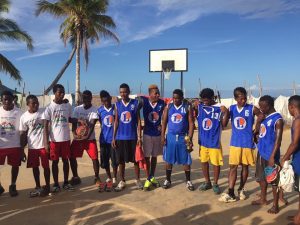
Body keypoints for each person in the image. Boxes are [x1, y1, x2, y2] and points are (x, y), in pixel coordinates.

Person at [219, 87, 262, 202]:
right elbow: (223, 124)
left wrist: (256, 129)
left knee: (245, 166)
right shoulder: (232, 108)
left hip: (248, 142)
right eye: (241, 99)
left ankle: (241, 188)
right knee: (233, 167)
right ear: (235, 98)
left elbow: (261, 115)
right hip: (235, 143)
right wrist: (226, 113)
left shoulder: (251, 108)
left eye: (245, 98)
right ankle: (231, 191)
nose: (243, 101)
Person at [251, 95, 283, 214]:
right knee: (261, 178)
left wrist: (272, 157)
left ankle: (275, 205)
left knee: (273, 181)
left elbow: (278, 141)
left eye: (262, 107)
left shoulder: (277, 119)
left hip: (270, 156)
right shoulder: (264, 117)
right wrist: (258, 121)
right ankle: (263, 199)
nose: (260, 109)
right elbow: (257, 133)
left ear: (268, 106)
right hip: (261, 152)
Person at [196, 88, 229, 195]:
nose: (205, 102)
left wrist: (226, 113)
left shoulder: (220, 108)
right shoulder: (200, 106)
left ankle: (215, 183)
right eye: (203, 100)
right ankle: (207, 182)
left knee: (216, 164)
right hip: (203, 142)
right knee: (203, 162)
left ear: (212, 98)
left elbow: (224, 125)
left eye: (207, 100)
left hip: (214, 142)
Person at [42, 84, 74, 192]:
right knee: (55, 162)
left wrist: (79, 121)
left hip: (65, 139)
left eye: (63, 92)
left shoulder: (67, 106)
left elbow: (70, 119)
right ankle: (56, 184)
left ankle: (66, 182)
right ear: (54, 93)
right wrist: (46, 143)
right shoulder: (49, 108)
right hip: (54, 141)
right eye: (59, 92)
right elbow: (45, 127)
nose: (62, 94)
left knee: (66, 161)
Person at [161, 89, 195, 191]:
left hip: (182, 137)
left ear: (181, 98)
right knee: (168, 160)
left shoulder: (187, 107)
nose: (175, 100)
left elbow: (191, 123)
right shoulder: (169, 106)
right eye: (174, 98)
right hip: (171, 137)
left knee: (186, 160)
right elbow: (164, 122)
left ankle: (188, 181)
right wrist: (162, 136)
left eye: (177, 98)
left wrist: (189, 138)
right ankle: (168, 180)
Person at [112, 83, 143, 191]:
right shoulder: (117, 104)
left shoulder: (135, 103)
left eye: (125, 92)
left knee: (136, 160)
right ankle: (122, 180)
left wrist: (139, 137)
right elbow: (116, 121)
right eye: (121, 92)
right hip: (120, 137)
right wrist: (113, 137)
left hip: (133, 137)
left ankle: (137, 180)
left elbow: (138, 121)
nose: (123, 94)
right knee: (121, 161)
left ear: (129, 92)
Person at [69, 90, 102, 189]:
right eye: (84, 98)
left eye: (88, 97)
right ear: (82, 98)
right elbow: (74, 124)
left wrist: (85, 137)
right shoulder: (77, 109)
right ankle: (75, 177)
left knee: (95, 158)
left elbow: (91, 125)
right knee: (71, 156)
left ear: (91, 98)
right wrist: (75, 134)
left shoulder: (94, 110)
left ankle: (96, 177)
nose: (86, 99)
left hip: (89, 139)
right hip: (78, 139)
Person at [20, 95, 50, 197]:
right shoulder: (24, 117)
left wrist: (64, 101)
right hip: (32, 147)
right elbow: (23, 134)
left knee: (46, 167)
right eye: (33, 103)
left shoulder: (44, 111)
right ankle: (37, 186)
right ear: (28, 104)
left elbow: (54, 107)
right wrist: (22, 149)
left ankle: (47, 186)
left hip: (43, 145)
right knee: (35, 167)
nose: (36, 104)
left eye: (37, 102)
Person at [139, 84, 165, 191]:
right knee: (146, 157)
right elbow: (134, 109)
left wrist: (162, 126)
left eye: (158, 93)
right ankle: (148, 178)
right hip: (147, 133)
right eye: (156, 93)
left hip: (157, 134)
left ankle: (152, 176)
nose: (158, 95)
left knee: (154, 157)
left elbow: (167, 115)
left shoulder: (162, 103)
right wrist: (138, 124)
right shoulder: (144, 101)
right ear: (150, 94)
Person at [0, 90, 24, 196]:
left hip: (15, 145)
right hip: (1, 146)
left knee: (15, 166)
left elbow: (22, 131)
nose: (7, 101)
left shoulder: (19, 112)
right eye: (4, 99)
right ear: (1, 100)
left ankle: (13, 185)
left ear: (12, 100)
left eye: (9, 99)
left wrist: (22, 149)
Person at [281, 95, 300, 224]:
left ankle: (298, 220)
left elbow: (295, 143)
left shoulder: (298, 121)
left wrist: (285, 157)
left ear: (291, 106)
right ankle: (298, 216)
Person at [98, 90, 118, 191]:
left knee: (114, 161)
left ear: (111, 98)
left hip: (113, 140)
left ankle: (114, 178)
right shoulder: (100, 110)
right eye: (104, 101)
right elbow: (101, 123)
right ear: (102, 101)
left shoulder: (115, 108)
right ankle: (109, 177)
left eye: (108, 100)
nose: (107, 103)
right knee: (105, 161)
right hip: (104, 140)